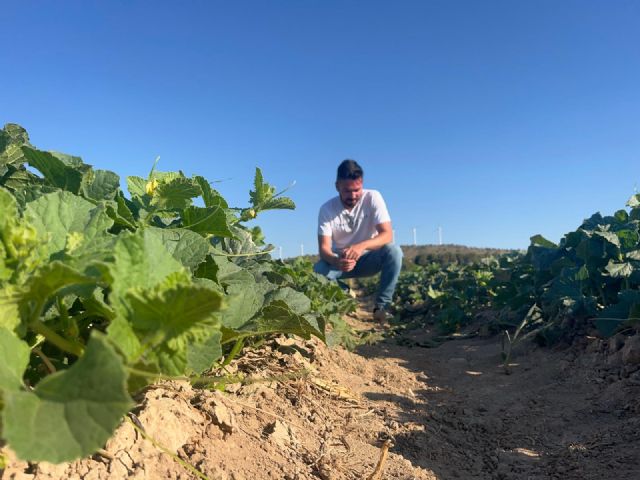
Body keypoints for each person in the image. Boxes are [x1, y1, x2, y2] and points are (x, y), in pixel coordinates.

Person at [314, 159, 403, 321]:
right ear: (337, 186)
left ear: (362, 184)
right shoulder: (326, 209)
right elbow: (324, 249)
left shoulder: (373, 197)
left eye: (357, 190)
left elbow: (387, 234)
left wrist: (361, 246)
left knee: (394, 252)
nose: (353, 196)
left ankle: (381, 308)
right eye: (347, 191)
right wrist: (336, 260)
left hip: (369, 258)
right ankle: (345, 296)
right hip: (341, 262)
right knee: (318, 271)